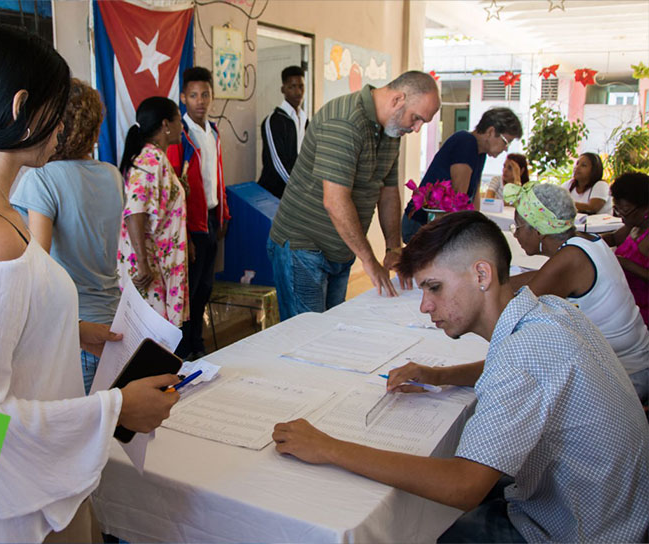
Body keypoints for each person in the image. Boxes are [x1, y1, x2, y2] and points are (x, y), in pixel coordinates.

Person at [0, 24, 179, 544]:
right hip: (16, 513)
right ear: (24, 106)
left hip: (39, 497)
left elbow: (6, 327)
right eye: (59, 107)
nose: (65, 124)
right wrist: (117, 409)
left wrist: (70, 330)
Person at [272, 211, 649, 543]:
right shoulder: (546, 311)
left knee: (422, 526)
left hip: (584, 532)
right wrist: (438, 375)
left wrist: (328, 447)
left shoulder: (525, 353)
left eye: (434, 287)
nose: (425, 306)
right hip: (617, 510)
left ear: (481, 274)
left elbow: (463, 485)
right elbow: (515, 369)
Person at [268, 71, 440, 319]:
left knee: (334, 330)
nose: (416, 129)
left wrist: (393, 247)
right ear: (398, 100)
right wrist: (369, 261)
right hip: (303, 248)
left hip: (340, 250)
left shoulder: (392, 130)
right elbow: (335, 201)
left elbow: (388, 190)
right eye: (416, 119)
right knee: (308, 339)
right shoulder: (345, 120)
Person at [12, 78, 125, 395]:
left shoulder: (42, 178)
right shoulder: (112, 175)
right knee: (109, 430)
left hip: (76, 330)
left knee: (78, 432)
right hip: (113, 316)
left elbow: (39, 265)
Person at [506, 182, 649, 403]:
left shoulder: (570, 259)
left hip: (627, 376)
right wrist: (497, 281)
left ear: (537, 230)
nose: (515, 235)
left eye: (517, 227)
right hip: (634, 362)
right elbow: (539, 277)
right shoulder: (586, 241)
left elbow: (511, 310)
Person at [167, 67, 230, 360]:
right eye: (193, 95)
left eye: (205, 94)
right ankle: (185, 346)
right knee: (188, 290)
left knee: (206, 285)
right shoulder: (180, 137)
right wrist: (183, 232)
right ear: (183, 97)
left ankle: (198, 340)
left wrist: (224, 212)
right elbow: (175, 187)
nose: (200, 101)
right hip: (190, 224)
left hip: (212, 216)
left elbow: (217, 174)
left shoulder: (213, 131)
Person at [120, 97, 189, 332]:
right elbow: (134, 211)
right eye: (179, 120)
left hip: (155, 260)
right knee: (152, 336)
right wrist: (143, 264)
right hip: (149, 265)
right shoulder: (151, 159)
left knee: (159, 334)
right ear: (165, 124)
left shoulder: (156, 158)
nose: (182, 126)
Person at [402, 107, 522, 241]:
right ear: (491, 131)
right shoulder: (466, 142)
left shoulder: (480, 153)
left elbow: (474, 193)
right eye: (506, 142)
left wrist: (477, 226)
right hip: (421, 222)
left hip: (437, 223)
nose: (506, 149)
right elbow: (459, 196)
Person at [603, 172, 649, 327]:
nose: (620, 215)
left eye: (625, 209)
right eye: (617, 208)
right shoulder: (633, 225)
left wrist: (625, 263)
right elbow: (614, 238)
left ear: (644, 208)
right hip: (624, 301)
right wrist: (586, 239)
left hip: (642, 313)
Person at [258, 65, 308, 199]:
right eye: (292, 87)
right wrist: (298, 189)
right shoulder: (273, 121)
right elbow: (278, 164)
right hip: (274, 194)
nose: (298, 92)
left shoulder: (304, 119)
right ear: (283, 89)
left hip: (295, 194)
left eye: (301, 86)